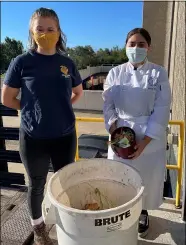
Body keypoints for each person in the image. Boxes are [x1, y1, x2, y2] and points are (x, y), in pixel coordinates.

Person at [2, 7, 83, 245]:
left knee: (66, 182)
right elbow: (6, 99)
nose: (45, 33)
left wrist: (62, 108)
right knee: (36, 185)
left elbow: (77, 92)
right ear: (32, 32)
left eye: (50, 29)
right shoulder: (21, 62)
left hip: (65, 136)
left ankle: (68, 223)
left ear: (59, 33)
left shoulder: (67, 63)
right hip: (33, 137)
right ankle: (39, 230)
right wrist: (30, 110)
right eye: (40, 29)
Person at [102, 28, 171, 238]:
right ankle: (121, 213)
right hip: (121, 133)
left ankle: (142, 212)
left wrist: (145, 141)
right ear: (125, 47)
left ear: (148, 47)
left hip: (149, 136)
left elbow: (162, 108)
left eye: (141, 44)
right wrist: (115, 132)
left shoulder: (159, 73)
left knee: (145, 179)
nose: (136, 48)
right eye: (132, 44)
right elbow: (108, 104)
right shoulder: (115, 73)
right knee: (120, 177)